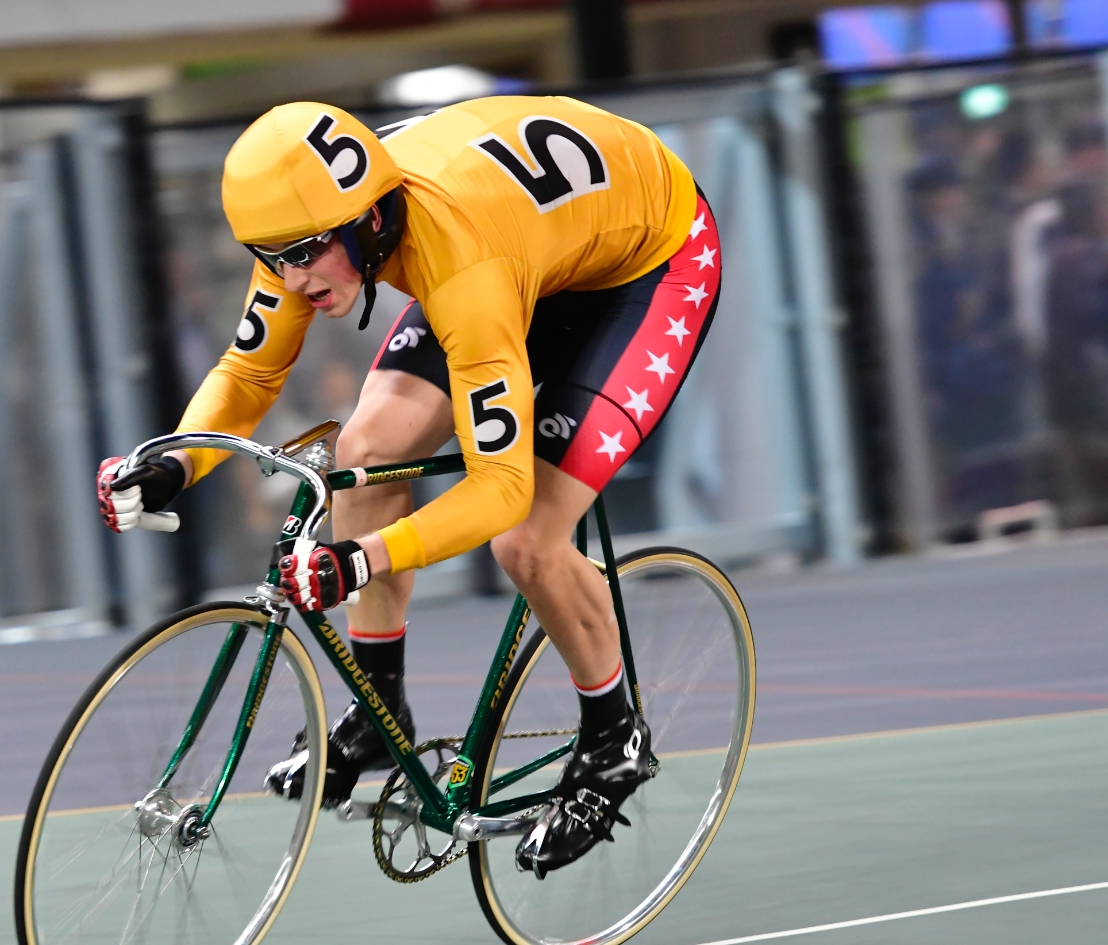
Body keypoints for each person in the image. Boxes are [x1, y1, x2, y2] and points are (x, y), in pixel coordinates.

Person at [98, 98, 720, 877]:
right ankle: (378, 702)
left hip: (643, 264)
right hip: (524, 242)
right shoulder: (318, 219)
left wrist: (359, 561)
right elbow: (251, 370)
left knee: (527, 537)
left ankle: (613, 739)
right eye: (271, 256)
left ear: (366, 220)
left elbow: (499, 487)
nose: (292, 278)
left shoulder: (460, 263)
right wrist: (174, 462)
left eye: (303, 254)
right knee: (364, 448)